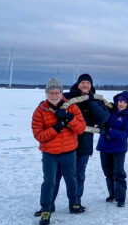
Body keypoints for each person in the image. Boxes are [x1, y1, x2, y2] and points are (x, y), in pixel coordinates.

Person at [33, 73, 109, 216]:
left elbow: (103, 118)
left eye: (88, 83)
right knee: (53, 177)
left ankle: (75, 202)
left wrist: (91, 102)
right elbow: (52, 102)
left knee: (77, 176)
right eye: (82, 82)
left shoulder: (97, 100)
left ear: (91, 85)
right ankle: (49, 206)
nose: (85, 85)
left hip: (84, 143)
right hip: (61, 144)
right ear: (78, 84)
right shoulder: (68, 97)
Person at [31, 78, 86, 225]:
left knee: (71, 179)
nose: (54, 95)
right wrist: (56, 128)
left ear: (62, 93)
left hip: (69, 151)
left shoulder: (72, 107)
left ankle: (74, 204)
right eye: (51, 93)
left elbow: (81, 128)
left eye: (57, 92)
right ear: (46, 93)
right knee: (49, 182)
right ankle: (46, 209)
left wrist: (69, 118)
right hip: (50, 154)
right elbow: (39, 135)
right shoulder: (40, 110)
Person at [96, 91, 128, 207]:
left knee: (118, 173)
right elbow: (99, 116)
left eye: (124, 102)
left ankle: (120, 197)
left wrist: (109, 131)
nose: (121, 104)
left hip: (119, 149)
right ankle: (112, 194)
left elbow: (125, 134)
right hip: (104, 146)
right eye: (120, 101)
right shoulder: (109, 111)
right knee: (108, 172)